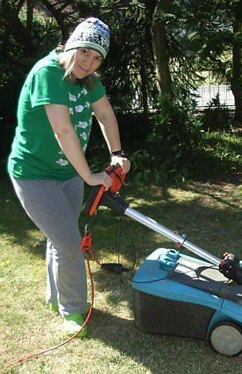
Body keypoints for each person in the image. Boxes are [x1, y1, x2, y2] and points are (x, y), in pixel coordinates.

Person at [7, 17, 130, 338]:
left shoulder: (88, 81)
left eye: (97, 57)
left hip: (67, 174)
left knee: (59, 239)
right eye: (85, 52)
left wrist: (117, 154)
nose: (89, 63)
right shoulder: (48, 73)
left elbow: (104, 113)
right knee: (70, 245)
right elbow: (62, 129)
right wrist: (90, 174)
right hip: (33, 176)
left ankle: (55, 298)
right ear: (72, 44)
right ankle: (72, 310)